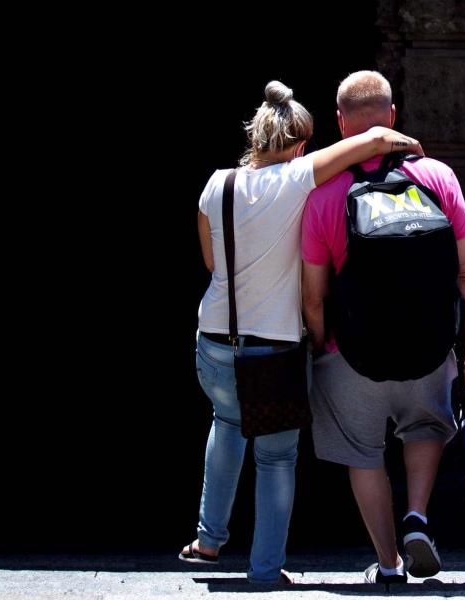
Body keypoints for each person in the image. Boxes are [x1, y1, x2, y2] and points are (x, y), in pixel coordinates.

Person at [180, 80, 422, 585]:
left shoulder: (216, 184)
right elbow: (373, 141)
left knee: (226, 424)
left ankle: (208, 539)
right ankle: (265, 568)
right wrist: (408, 146)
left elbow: (210, 261)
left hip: (215, 339)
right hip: (275, 348)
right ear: (296, 145)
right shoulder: (296, 178)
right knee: (275, 456)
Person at [301, 71, 465, 584]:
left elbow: (313, 293)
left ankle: (387, 564)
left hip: (352, 352)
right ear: (392, 118)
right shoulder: (438, 177)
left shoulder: (323, 194)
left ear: (342, 125)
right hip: (430, 345)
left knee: (363, 453)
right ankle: (417, 519)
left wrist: (321, 344)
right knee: (426, 427)